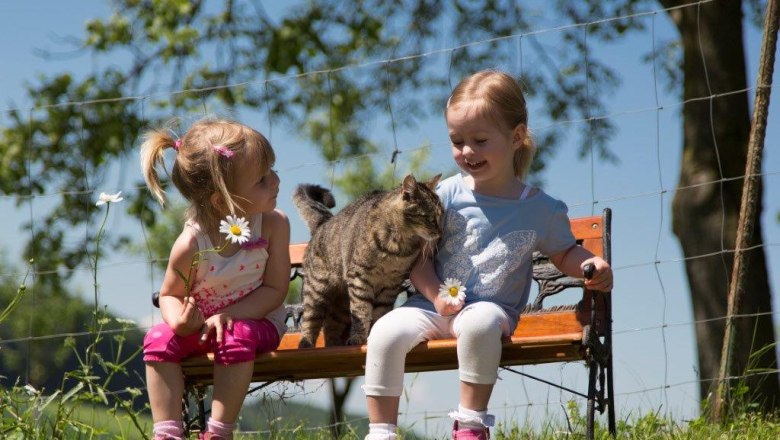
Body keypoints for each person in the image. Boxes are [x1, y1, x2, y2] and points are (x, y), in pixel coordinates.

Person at [362, 70, 613, 440]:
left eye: (479, 140)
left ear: (516, 137)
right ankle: (381, 432)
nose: (466, 152)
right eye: (457, 141)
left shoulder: (540, 209)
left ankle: (470, 423)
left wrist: (590, 266)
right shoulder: (445, 195)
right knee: (384, 331)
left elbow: (563, 253)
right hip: (429, 306)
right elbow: (417, 259)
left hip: (492, 311)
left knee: (478, 324)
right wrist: (434, 296)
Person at [140, 118, 291, 440]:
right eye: (262, 179)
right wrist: (179, 322)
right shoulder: (192, 243)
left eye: (273, 170)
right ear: (223, 201)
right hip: (202, 327)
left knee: (235, 335)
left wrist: (229, 315)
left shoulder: (274, 225)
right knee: (158, 338)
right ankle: (167, 431)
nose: (276, 181)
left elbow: (276, 290)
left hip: (258, 322)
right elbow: (170, 294)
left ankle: (219, 432)